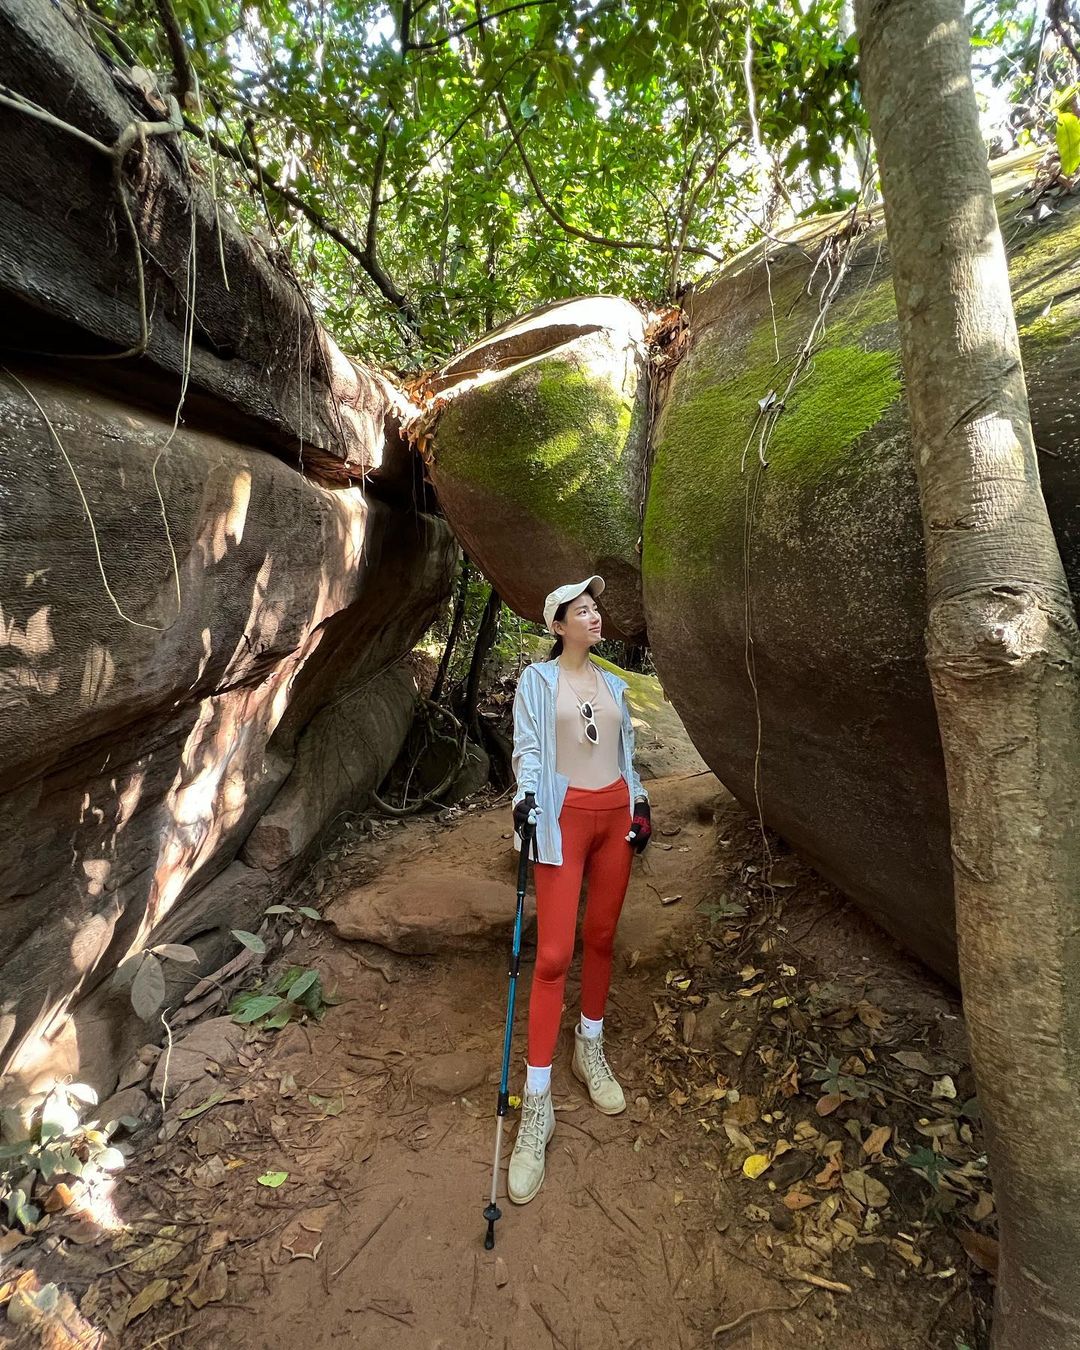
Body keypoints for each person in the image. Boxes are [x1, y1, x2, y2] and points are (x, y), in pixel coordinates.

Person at [507, 576, 652, 1204]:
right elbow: (530, 751)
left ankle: (588, 1047)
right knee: (553, 955)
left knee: (601, 937)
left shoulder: (616, 682)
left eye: (597, 609)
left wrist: (640, 802)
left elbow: (626, 756)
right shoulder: (537, 684)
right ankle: (536, 1104)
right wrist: (525, 800)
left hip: (615, 815)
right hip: (561, 818)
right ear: (558, 624)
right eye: (584, 611)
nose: (596, 617)